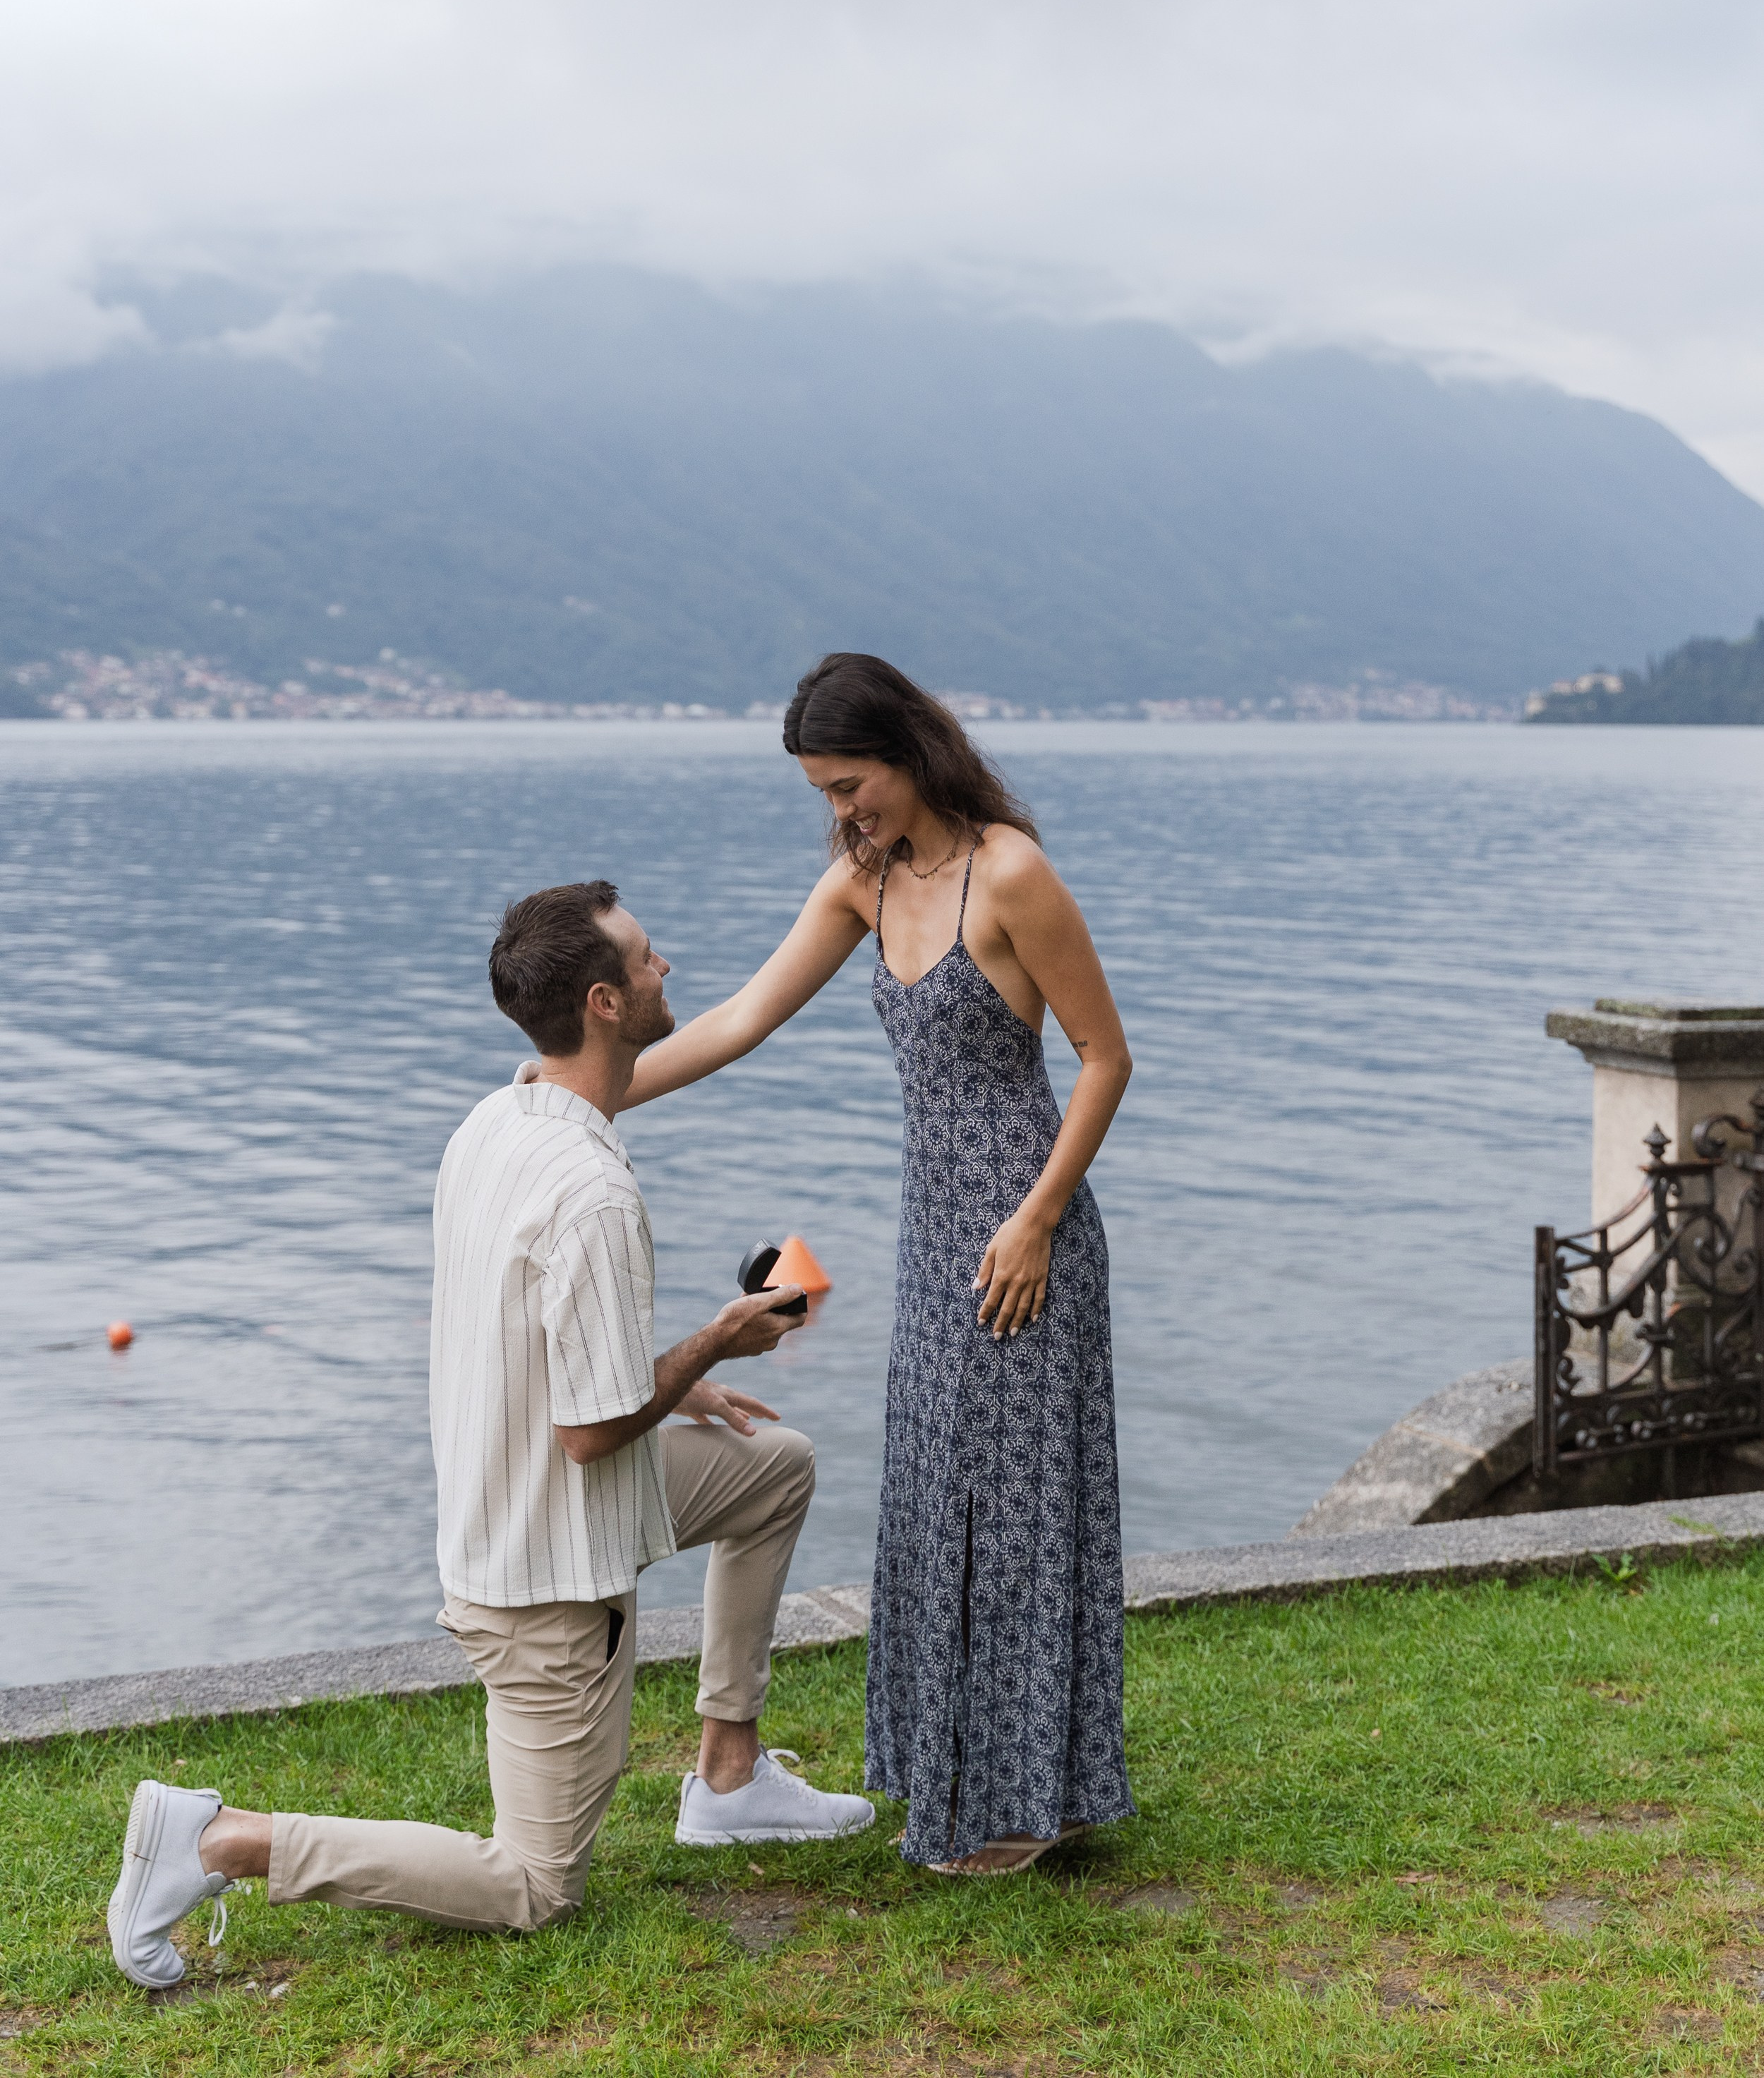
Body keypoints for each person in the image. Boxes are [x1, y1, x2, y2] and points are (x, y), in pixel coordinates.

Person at [107, 880, 873, 1991]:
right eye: (648, 958)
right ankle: (223, 1838)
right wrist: (711, 1344)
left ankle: (729, 1775)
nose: (667, 967)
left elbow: (546, 1342)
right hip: (546, 1581)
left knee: (774, 1470)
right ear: (605, 1001)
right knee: (535, 1883)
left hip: (517, 1508)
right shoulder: (594, 1193)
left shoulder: (499, 1117)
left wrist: (665, 1381)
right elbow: (591, 1431)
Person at [624, 653, 1137, 1873]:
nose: (841, 809)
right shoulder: (864, 880)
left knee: (1021, 1512)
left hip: (1025, 1239)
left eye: (850, 783)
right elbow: (742, 1017)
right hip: (933, 1238)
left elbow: (1105, 1057)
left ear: (908, 751)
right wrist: (582, 1094)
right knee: (934, 1499)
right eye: (824, 791)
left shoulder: (1009, 872)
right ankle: (970, 1784)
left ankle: (1029, 1801)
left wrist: (1037, 1218)